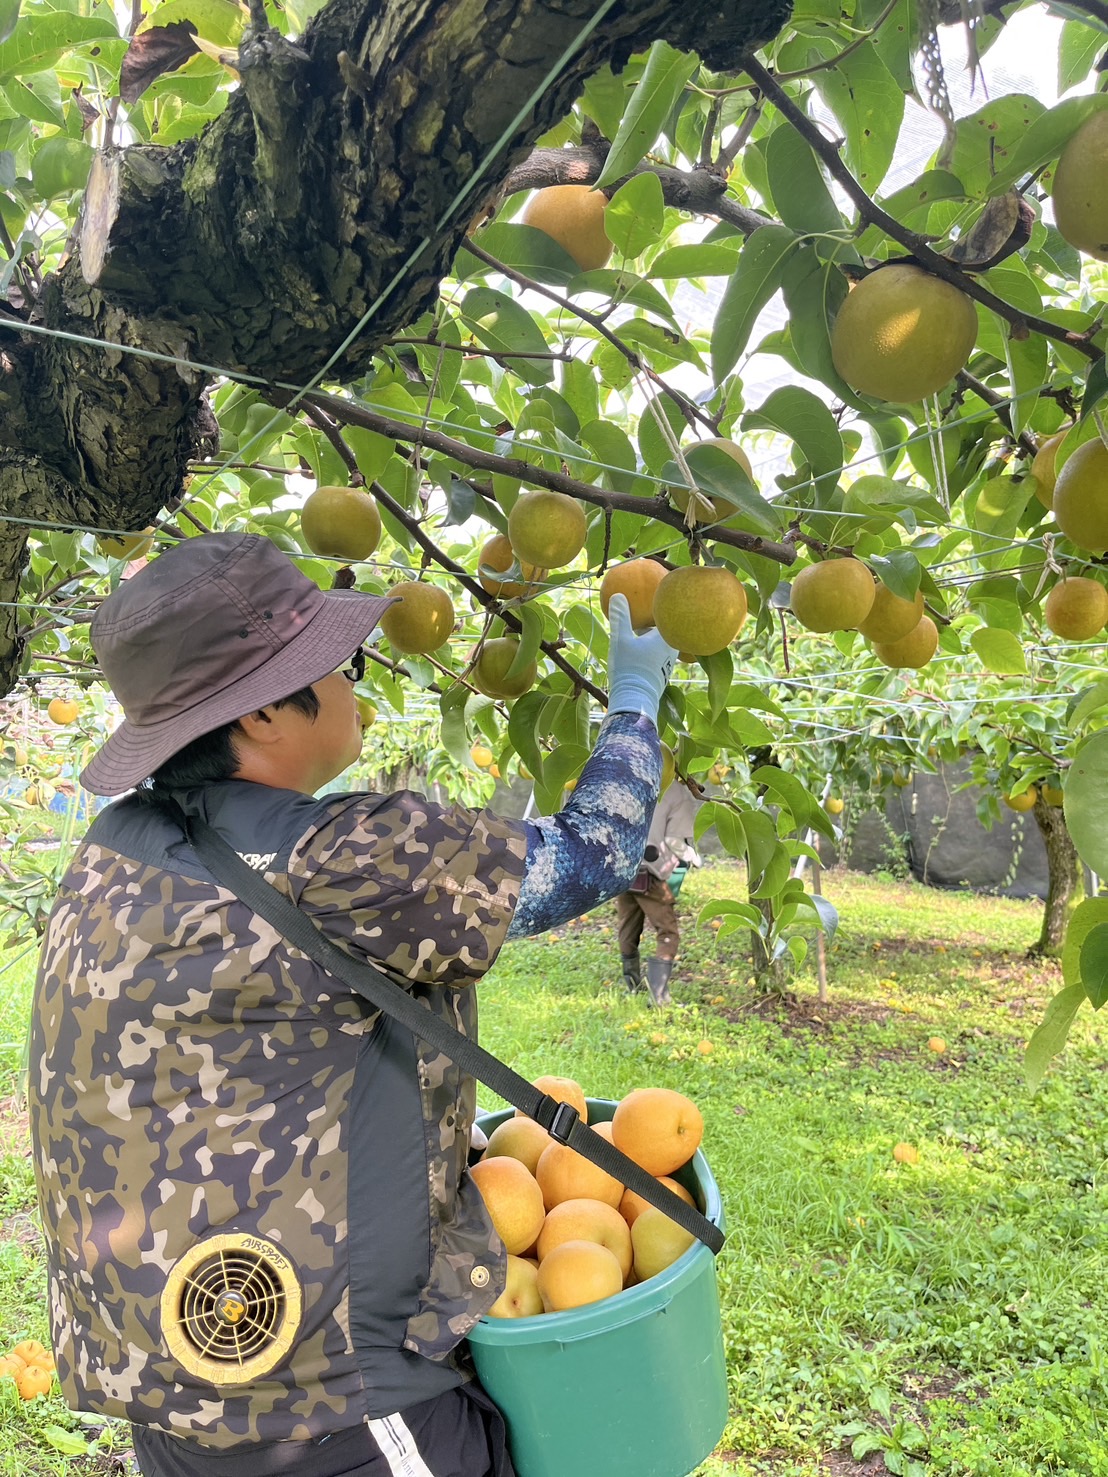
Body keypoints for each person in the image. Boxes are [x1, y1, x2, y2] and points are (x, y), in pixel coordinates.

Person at [27, 532, 676, 1477]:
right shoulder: (337, 854)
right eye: (339, 665)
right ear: (260, 717)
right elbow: (592, 855)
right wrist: (634, 702)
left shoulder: (115, 848)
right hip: (329, 1407)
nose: (354, 683)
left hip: (173, 1380)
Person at [615, 777, 702, 1006]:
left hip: (622, 869)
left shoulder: (636, 782)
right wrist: (693, 857)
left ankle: (632, 986)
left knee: (628, 927)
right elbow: (674, 840)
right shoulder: (679, 795)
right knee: (667, 932)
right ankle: (658, 995)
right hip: (649, 874)